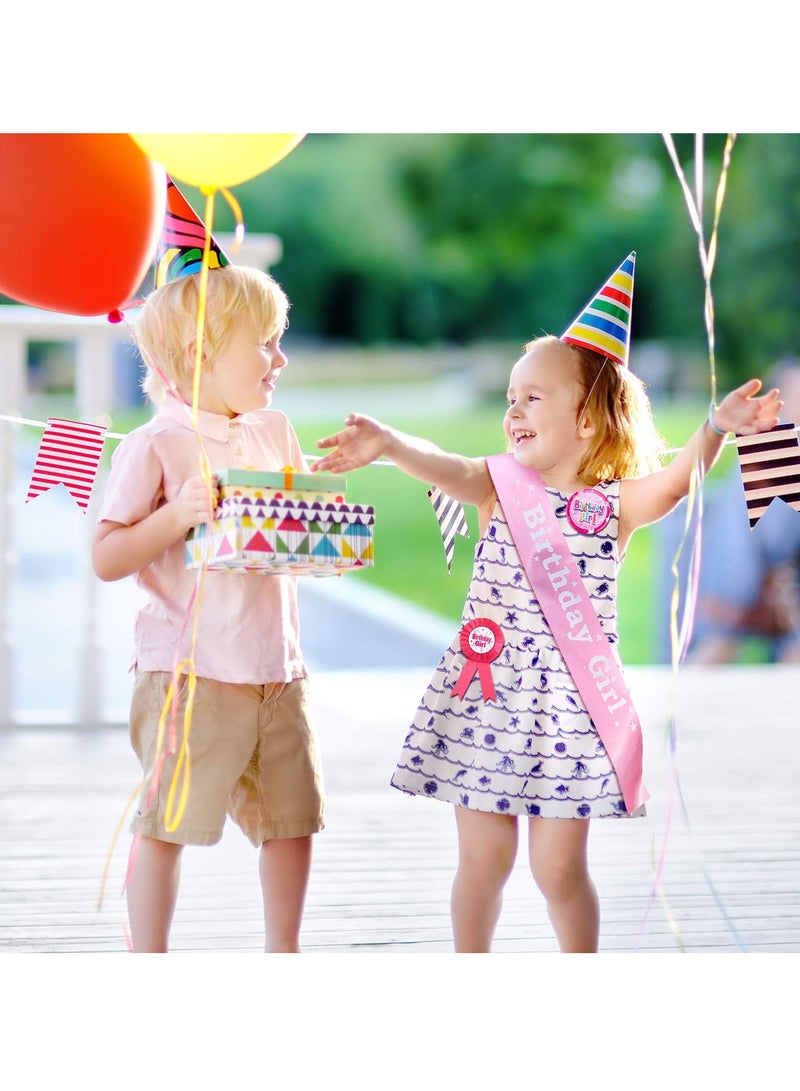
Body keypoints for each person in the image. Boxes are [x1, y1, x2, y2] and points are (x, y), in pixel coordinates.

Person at [313, 253, 781, 953]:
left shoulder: (613, 506)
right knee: (485, 860)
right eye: (510, 396)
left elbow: (681, 478)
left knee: (558, 868)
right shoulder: (497, 484)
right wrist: (388, 441)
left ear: (588, 420)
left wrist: (716, 424)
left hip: (573, 706)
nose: (512, 410)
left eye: (533, 397)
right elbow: (445, 463)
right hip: (489, 695)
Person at [91, 262, 325, 953]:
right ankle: (149, 952)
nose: (279, 358)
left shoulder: (272, 428)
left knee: (292, 819)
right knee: (168, 819)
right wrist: (176, 517)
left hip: (275, 665)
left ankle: (284, 949)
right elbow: (107, 557)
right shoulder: (156, 443)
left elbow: (294, 527)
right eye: (265, 343)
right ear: (199, 355)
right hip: (189, 670)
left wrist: (320, 505)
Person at [686, 358, 800, 664]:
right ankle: (729, 616)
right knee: (769, 458)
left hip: (773, 589)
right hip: (766, 582)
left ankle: (726, 616)